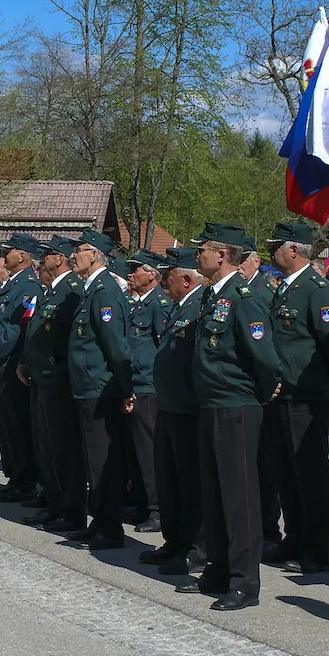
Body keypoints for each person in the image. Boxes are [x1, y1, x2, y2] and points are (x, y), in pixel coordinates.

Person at [177, 222, 282, 612]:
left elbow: (266, 360)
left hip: (235, 406)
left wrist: (254, 394)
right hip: (211, 405)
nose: (197, 254)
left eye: (202, 248)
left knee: (239, 498)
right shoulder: (211, 296)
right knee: (215, 495)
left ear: (222, 255)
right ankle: (217, 571)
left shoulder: (243, 297)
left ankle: (244, 582)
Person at [264, 220, 329, 576]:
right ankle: (294, 537)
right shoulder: (285, 289)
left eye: (276, 246)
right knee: (286, 473)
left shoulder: (317, 290)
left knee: (310, 474)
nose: (271, 253)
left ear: (293, 250)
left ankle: (316, 548)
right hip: (282, 395)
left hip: (306, 395)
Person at [63, 228, 134, 551]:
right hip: (88, 387)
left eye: (79, 250)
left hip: (101, 388)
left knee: (104, 461)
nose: (72, 256)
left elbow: (116, 346)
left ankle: (110, 527)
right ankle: (101, 522)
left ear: (94, 255)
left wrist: (124, 387)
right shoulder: (92, 290)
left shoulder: (104, 291)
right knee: (94, 461)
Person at [139, 246, 205, 576]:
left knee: (190, 482)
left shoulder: (198, 306)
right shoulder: (179, 307)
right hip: (168, 404)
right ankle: (175, 540)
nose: (164, 280)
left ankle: (195, 547)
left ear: (188, 280)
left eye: (170, 276)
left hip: (187, 408)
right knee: (170, 480)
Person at [17, 237, 84, 530]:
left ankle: (70, 511)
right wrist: (27, 362)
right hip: (41, 377)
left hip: (58, 379)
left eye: (46, 256)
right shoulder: (51, 291)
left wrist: (54, 365)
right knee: (46, 446)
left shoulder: (71, 290)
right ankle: (53, 502)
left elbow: (70, 337)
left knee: (62, 449)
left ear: (59, 259)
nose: (41, 260)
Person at [0, 234, 43, 502]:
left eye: (10, 250)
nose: (4, 254)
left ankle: (25, 481)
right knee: (4, 425)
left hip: (11, 362)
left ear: (23, 256)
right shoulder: (12, 284)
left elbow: (17, 329)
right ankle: (15, 477)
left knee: (16, 425)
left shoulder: (28, 286)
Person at [123, 250, 172, 533]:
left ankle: (158, 510)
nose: (131, 274)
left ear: (151, 274)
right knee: (137, 452)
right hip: (135, 384)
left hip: (149, 386)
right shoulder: (137, 304)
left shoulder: (159, 305)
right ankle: (143, 504)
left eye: (136, 269)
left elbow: (161, 346)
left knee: (150, 452)